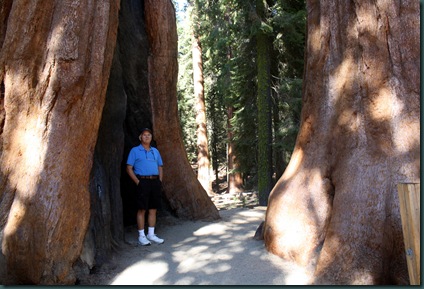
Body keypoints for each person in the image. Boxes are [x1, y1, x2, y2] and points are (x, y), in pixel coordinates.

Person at [126, 128, 164, 246]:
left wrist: (160, 181)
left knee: (153, 209)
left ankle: (151, 234)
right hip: (142, 181)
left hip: (155, 182)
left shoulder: (155, 151)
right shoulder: (135, 151)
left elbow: (160, 166)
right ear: (140, 137)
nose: (147, 137)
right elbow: (129, 168)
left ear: (151, 137)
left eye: (149, 135)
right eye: (144, 135)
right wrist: (138, 182)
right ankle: (141, 236)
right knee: (142, 209)